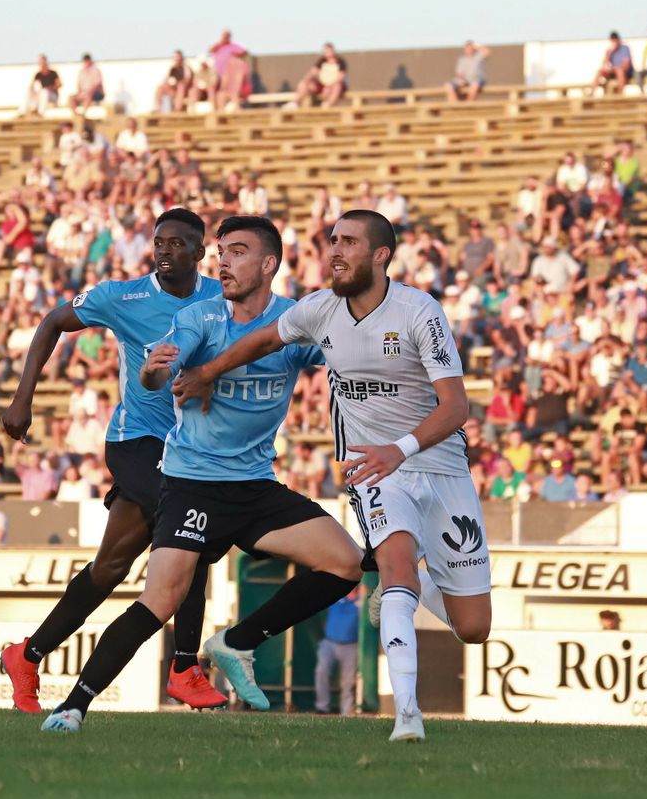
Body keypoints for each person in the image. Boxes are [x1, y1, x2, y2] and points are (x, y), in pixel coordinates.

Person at [176, 210, 488, 743]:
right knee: (393, 563)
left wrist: (402, 447)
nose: (334, 252)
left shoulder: (419, 311)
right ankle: (407, 716)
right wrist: (206, 372)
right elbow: (263, 341)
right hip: (372, 466)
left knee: (474, 629)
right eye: (331, 241)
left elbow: (455, 406)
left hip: (437, 465)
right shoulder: (319, 309)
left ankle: (410, 586)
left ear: (381, 255)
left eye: (348, 242)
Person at [40, 216, 361, 734]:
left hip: (255, 487)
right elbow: (161, 368)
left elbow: (342, 357)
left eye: (237, 251)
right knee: (161, 599)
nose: (223, 262)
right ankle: (73, 705)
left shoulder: (293, 321)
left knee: (345, 563)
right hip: (192, 483)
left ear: (269, 264)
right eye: (221, 252)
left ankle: (236, 643)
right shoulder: (201, 316)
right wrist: (155, 370)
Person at [0, 209, 226, 712]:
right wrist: (23, 398)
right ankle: (186, 666)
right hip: (137, 442)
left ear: (199, 250)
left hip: (190, 447)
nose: (165, 251)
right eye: (158, 242)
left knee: (110, 568)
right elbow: (54, 320)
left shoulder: (219, 296)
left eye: (177, 244)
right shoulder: (123, 296)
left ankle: (27, 654)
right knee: (192, 528)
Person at [314, 587, 360, 715]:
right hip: (329, 642)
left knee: (348, 680)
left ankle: (346, 711)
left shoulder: (362, 601)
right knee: (321, 671)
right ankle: (322, 707)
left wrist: (362, 596)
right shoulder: (337, 595)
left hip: (351, 645)